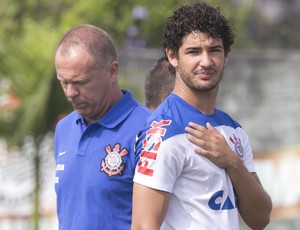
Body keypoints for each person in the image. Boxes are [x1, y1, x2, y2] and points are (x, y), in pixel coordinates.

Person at [132, 2, 272, 230]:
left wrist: (232, 161)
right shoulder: (163, 132)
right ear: (172, 56)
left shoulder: (232, 129)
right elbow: (142, 226)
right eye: (194, 51)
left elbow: (260, 219)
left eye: (214, 50)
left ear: (226, 55)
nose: (206, 62)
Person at [53, 24, 151, 229]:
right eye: (64, 82)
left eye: (80, 82)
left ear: (112, 71)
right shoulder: (64, 129)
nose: (70, 92)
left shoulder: (148, 130)